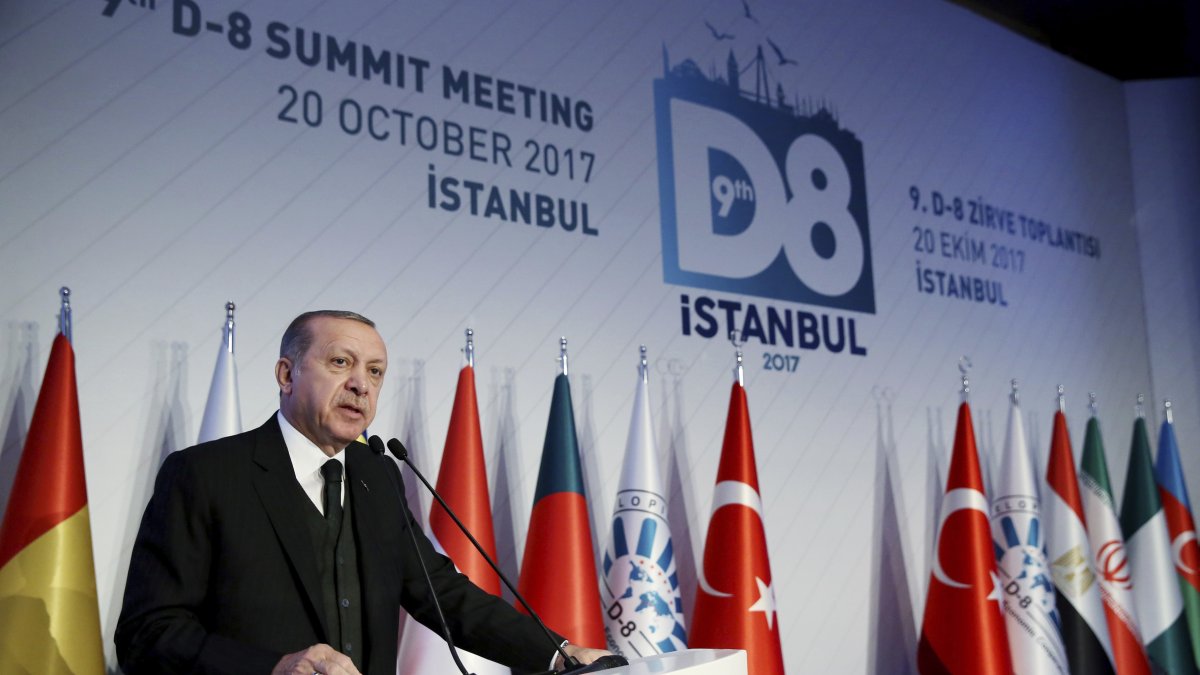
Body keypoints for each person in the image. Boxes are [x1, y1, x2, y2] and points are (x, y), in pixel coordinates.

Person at [116, 310, 609, 674]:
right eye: (340, 362)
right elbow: (147, 633)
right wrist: (273, 668)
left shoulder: (378, 477)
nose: (361, 385)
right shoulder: (205, 474)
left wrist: (558, 652)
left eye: (374, 372)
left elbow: (443, 594)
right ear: (287, 375)